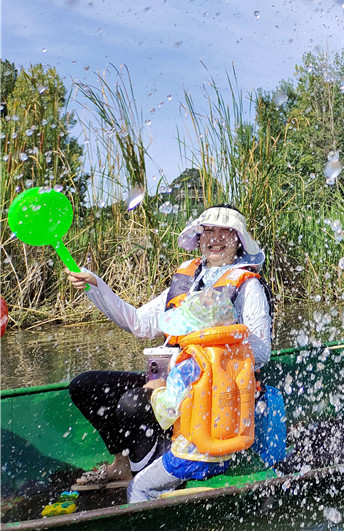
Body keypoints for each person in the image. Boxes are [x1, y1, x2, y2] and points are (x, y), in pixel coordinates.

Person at [65, 204, 271, 489]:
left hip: (210, 389)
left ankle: (149, 476)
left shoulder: (248, 287)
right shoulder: (187, 279)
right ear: (198, 239)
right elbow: (138, 323)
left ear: (239, 240)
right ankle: (123, 464)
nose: (215, 238)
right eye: (208, 230)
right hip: (167, 381)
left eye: (225, 231)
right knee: (86, 386)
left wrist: (206, 346)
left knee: (132, 403)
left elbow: (261, 353)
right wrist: (95, 286)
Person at [128, 289, 255, 502]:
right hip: (225, 455)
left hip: (190, 457)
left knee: (138, 487)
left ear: (190, 329)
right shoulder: (238, 358)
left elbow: (168, 411)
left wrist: (155, 392)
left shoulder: (187, 365)